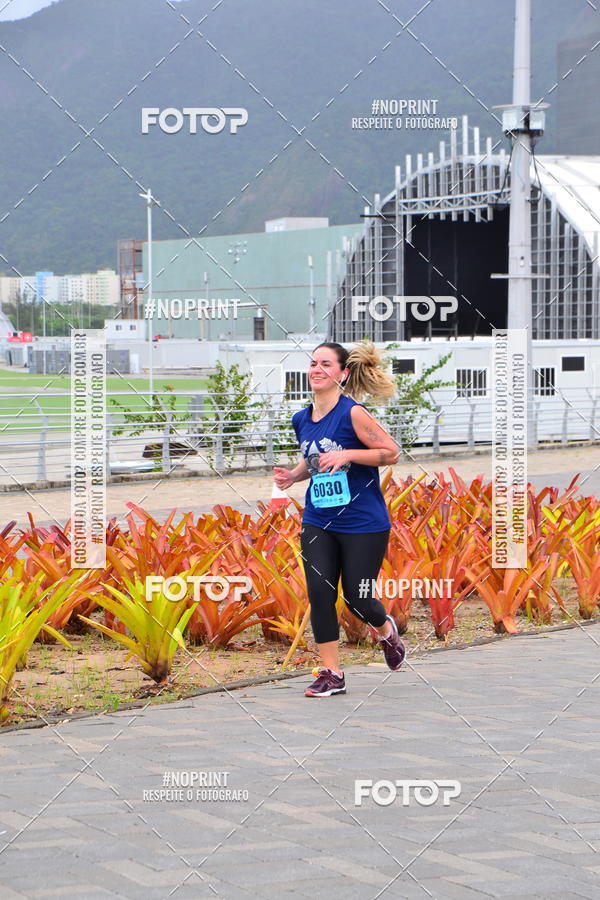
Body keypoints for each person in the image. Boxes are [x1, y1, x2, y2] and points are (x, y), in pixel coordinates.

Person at [274, 340, 406, 697]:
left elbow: (391, 453)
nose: (317, 369)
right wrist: (293, 476)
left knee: (357, 598)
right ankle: (332, 673)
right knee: (319, 592)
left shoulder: (353, 413)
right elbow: (315, 457)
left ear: (343, 374)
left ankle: (385, 631)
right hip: (319, 519)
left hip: (363, 522)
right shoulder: (301, 418)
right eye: (313, 363)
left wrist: (348, 452)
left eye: (326, 364)